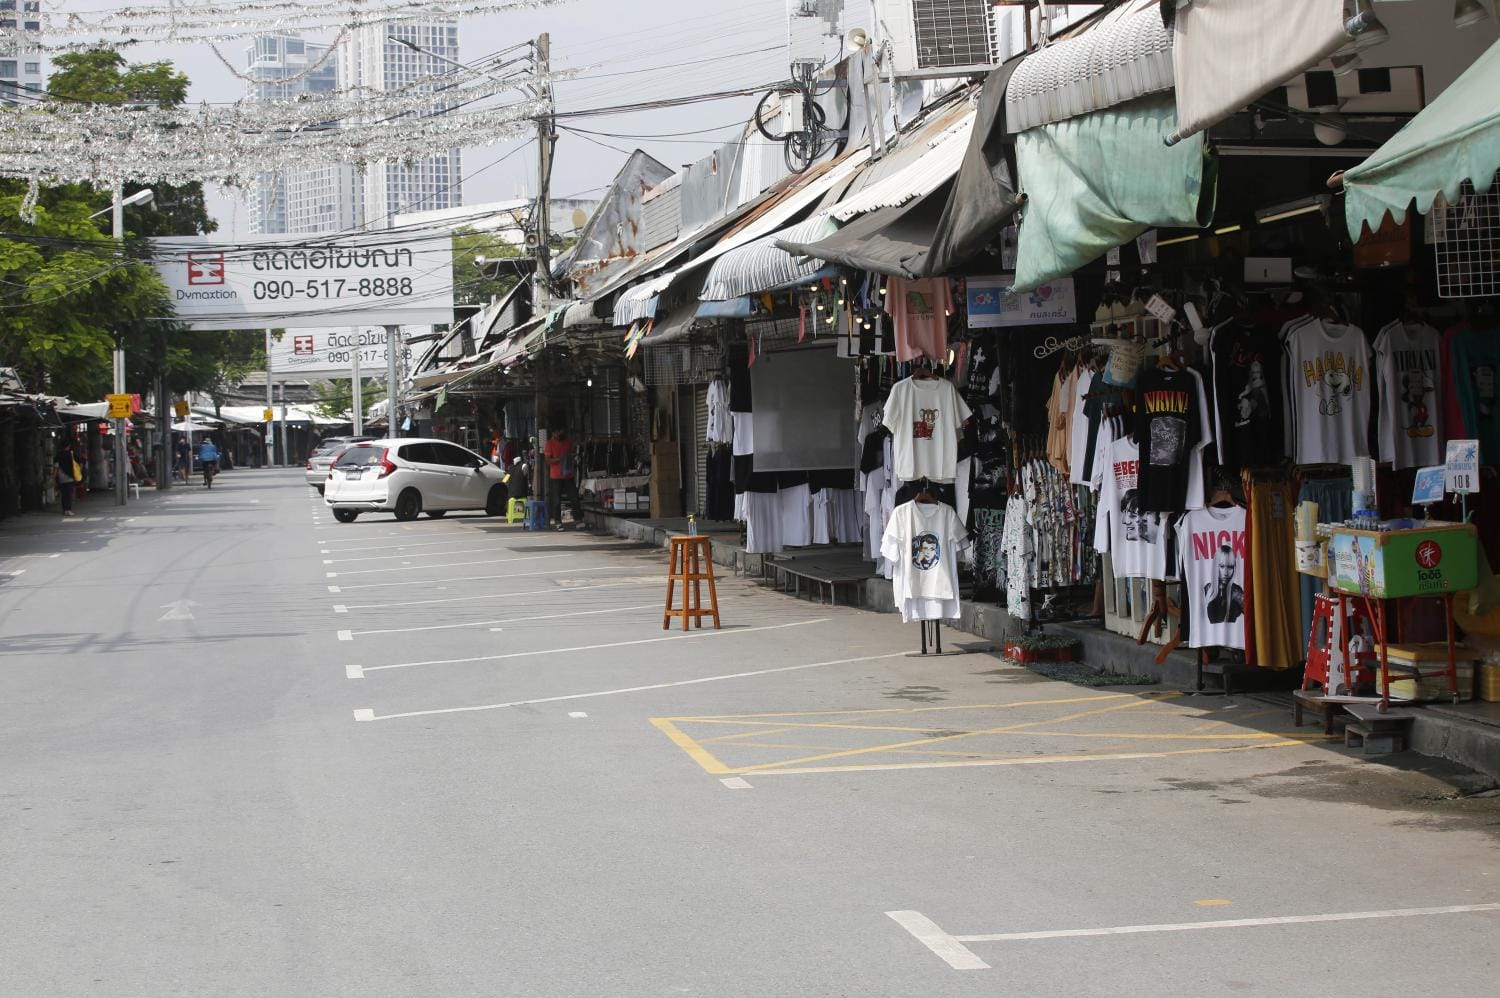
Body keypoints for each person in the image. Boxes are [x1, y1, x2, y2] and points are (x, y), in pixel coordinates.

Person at [543, 429, 578, 529]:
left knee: (574, 497)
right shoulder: (549, 444)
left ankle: (578, 519)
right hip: (556, 476)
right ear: (553, 433)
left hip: (568, 475)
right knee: (557, 500)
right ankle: (558, 521)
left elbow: (572, 453)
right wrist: (560, 459)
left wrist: (571, 457)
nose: (560, 433)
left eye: (561, 431)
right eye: (558, 431)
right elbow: (547, 460)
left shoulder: (568, 442)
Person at [55, 439, 81, 517]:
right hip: (70, 477)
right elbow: (78, 462)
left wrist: (54, 476)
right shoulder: (71, 454)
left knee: (64, 494)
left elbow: (55, 466)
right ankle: (68, 510)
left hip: (61, 477)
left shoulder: (58, 455)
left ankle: (64, 510)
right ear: (68, 446)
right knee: (69, 494)